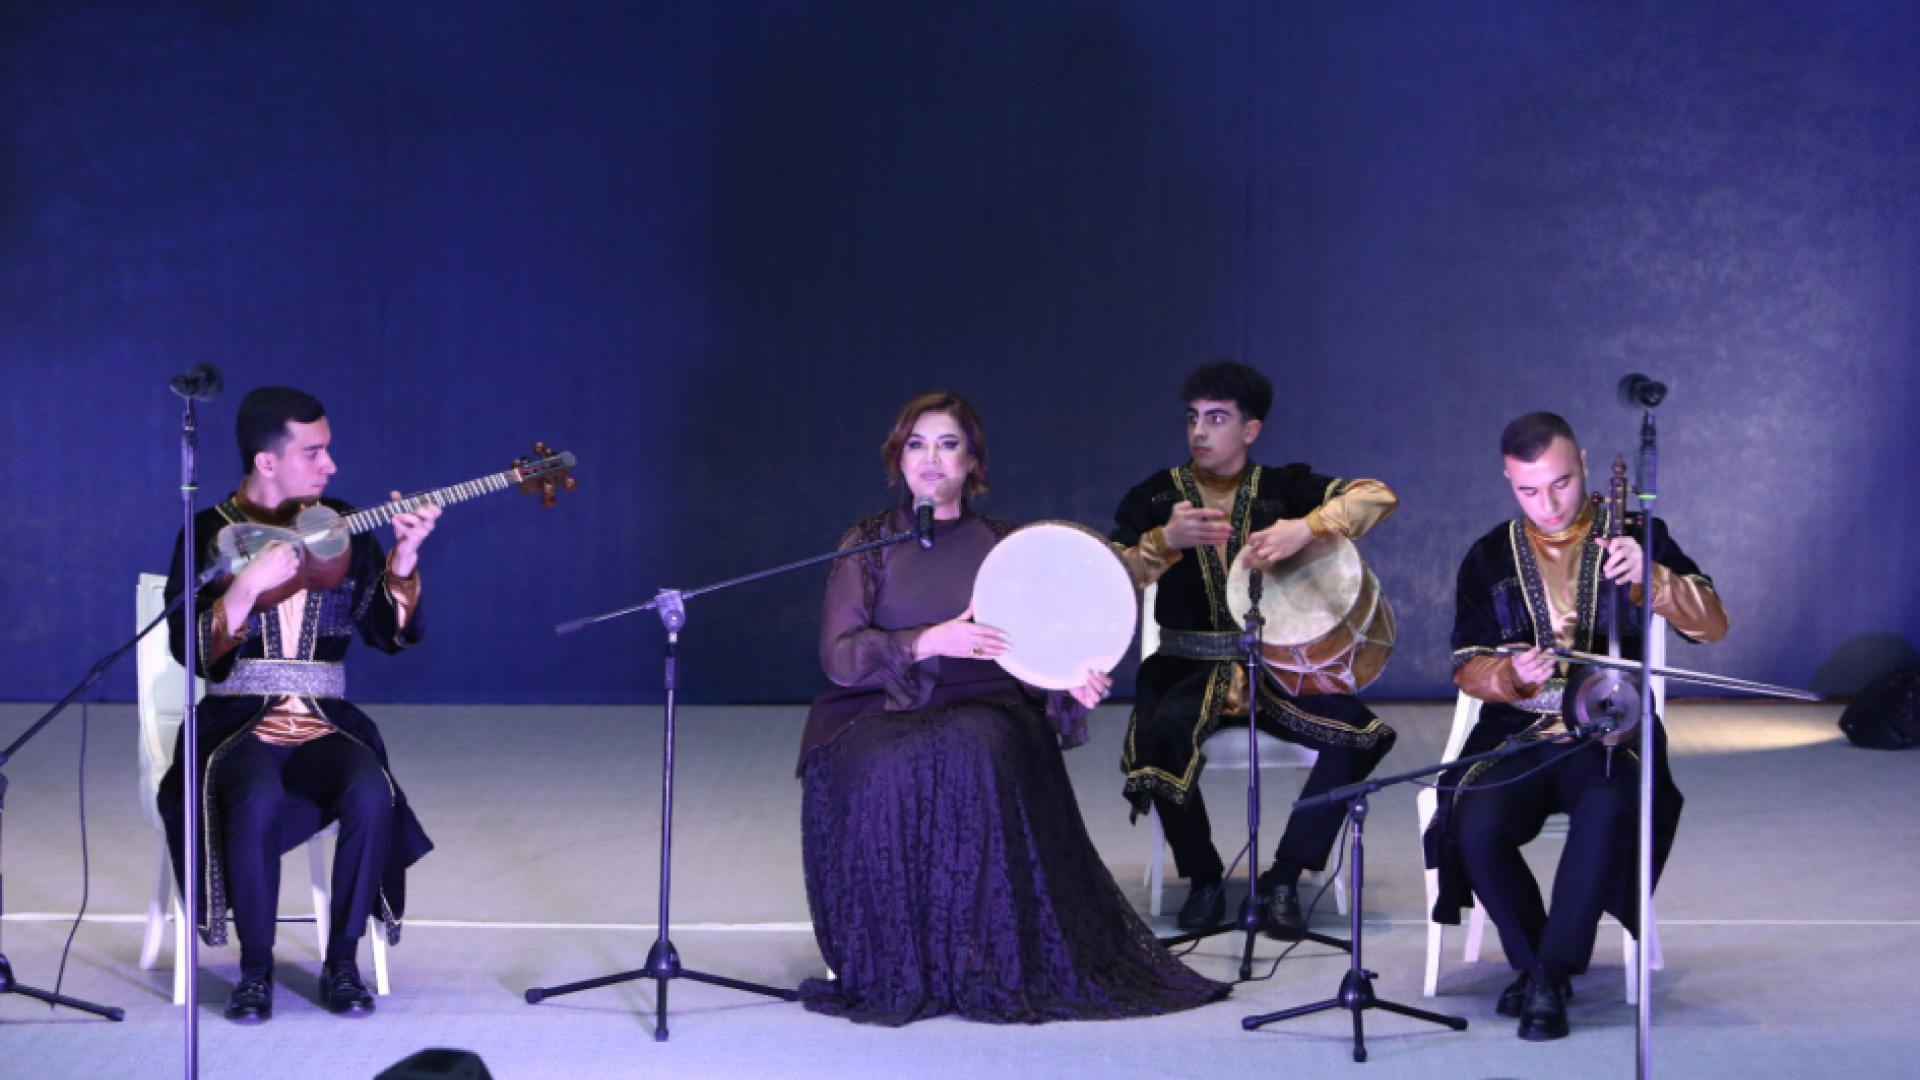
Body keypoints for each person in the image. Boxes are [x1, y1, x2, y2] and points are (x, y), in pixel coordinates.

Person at [796, 391, 1227, 1026]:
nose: (931, 459)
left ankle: (983, 955)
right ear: (898, 459)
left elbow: (1044, 646)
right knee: (881, 765)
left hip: (985, 700)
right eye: (917, 445)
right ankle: (892, 959)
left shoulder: (1007, 546)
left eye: (948, 445)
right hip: (878, 704)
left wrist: (1072, 682)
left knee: (978, 747)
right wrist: (929, 641)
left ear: (973, 462)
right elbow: (838, 656)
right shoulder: (867, 541)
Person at [1425, 411, 1727, 1041]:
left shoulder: (1637, 535)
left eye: (1561, 483)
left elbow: (1712, 625)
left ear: (1583, 463)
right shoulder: (1489, 554)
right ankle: (1540, 964)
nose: (1549, 504)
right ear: (1508, 480)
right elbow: (1466, 666)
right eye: (1529, 490)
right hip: (1516, 733)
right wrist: (1511, 675)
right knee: (1475, 822)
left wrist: (1655, 579)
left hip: (1610, 732)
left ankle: (1548, 972)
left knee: (1610, 806)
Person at [160, 387, 438, 1023]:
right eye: (313, 452)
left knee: (370, 788)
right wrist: (243, 591)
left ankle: (342, 963)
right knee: (256, 796)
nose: (330, 465)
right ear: (267, 461)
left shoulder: (340, 525)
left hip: (324, 722)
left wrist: (404, 557)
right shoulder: (205, 533)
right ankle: (254, 970)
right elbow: (186, 647)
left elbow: (386, 634)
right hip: (237, 722)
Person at [1111, 361, 1400, 937]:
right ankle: (1205, 877)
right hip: (1184, 666)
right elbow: (1109, 575)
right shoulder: (1156, 496)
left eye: (1217, 418)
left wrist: (1307, 527)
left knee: (1360, 735)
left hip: (1276, 669)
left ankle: (1285, 875)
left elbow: (1378, 496)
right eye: (1193, 417)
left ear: (1250, 429)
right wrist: (1163, 542)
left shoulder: (1284, 488)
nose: (1199, 431)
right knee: (1157, 736)